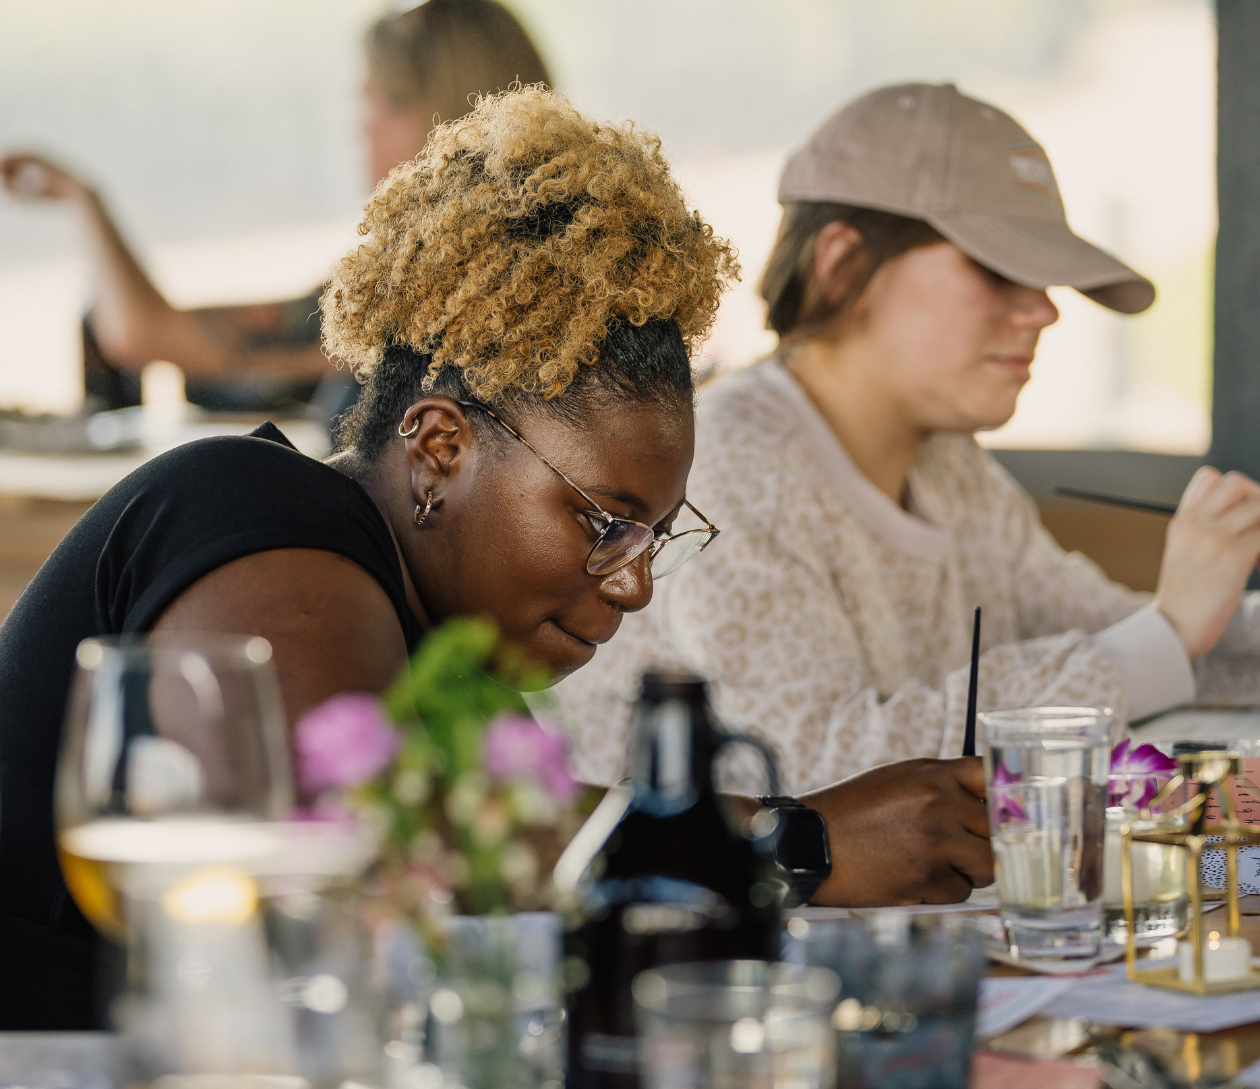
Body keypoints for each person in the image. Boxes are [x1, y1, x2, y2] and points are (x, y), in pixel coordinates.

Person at [0, 87, 992, 1031]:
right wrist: (793, 842)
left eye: (655, 538)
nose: (636, 585)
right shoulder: (250, 504)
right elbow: (369, 830)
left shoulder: (458, 674)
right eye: (606, 523)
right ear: (440, 447)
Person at [553, 81, 1260, 795]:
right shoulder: (729, 463)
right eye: (998, 268)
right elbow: (809, 770)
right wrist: (1166, 633)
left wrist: (1177, 628)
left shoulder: (950, 468)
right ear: (842, 266)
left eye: (1044, 279)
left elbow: (1146, 638)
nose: (1044, 310)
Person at [0, 0, 551, 419]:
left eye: (385, 102)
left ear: (454, 115)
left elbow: (144, 334)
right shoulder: (475, 268)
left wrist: (82, 199)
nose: (362, 126)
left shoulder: (446, 290)